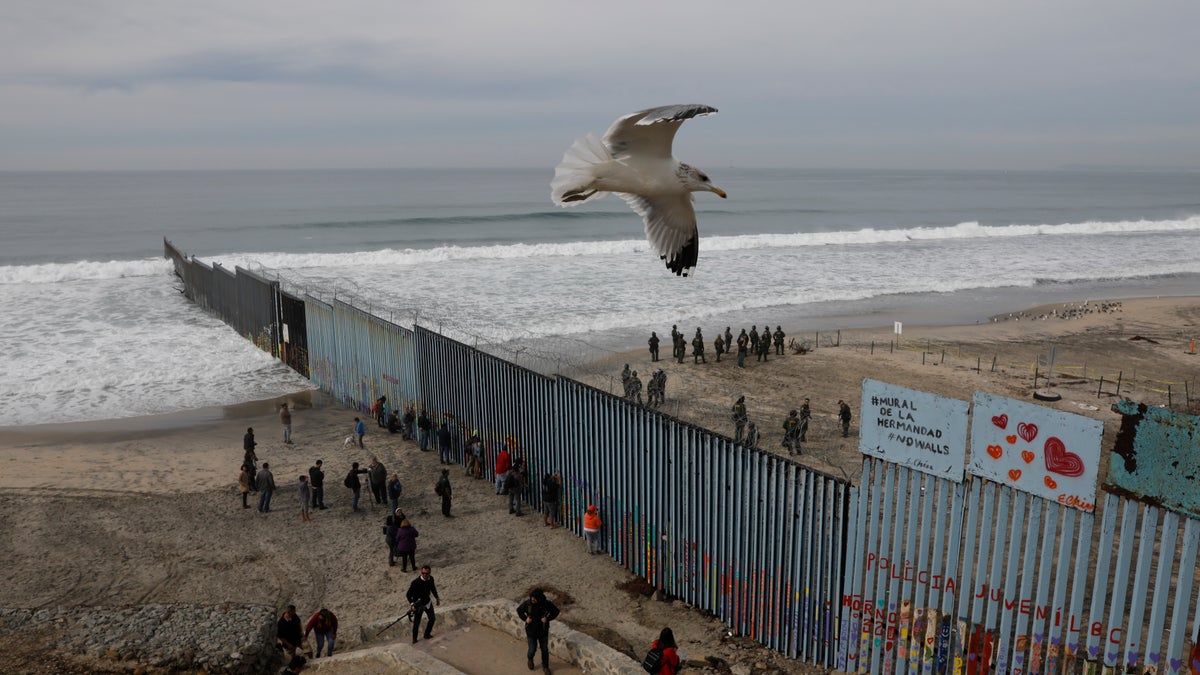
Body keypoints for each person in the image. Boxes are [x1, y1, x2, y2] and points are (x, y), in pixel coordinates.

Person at [517, 588, 561, 674]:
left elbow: (556, 612)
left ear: (539, 598)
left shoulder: (546, 604)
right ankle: (530, 659)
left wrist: (547, 619)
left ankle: (545, 667)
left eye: (534, 598)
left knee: (544, 650)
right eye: (531, 597)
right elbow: (519, 611)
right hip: (531, 631)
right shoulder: (528, 604)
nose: (532, 599)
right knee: (532, 649)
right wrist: (526, 619)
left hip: (543, 631)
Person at [406, 565, 440, 644]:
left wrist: (437, 598)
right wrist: (412, 604)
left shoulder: (431, 579)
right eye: (423, 573)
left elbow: (433, 588)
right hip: (418, 605)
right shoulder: (415, 582)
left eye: (426, 573)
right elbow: (408, 595)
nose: (424, 575)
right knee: (417, 623)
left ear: (429, 573)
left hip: (427, 602)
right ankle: (414, 639)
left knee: (432, 619)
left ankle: (427, 634)